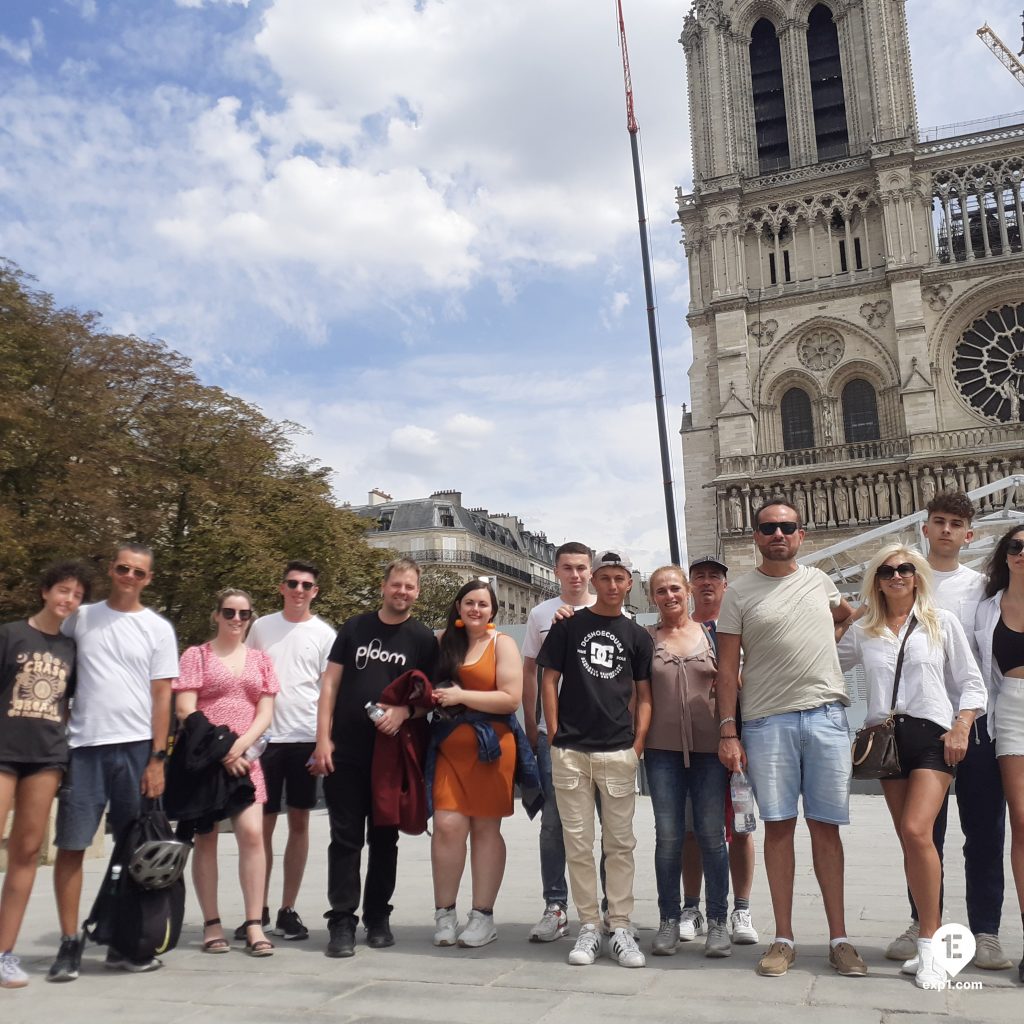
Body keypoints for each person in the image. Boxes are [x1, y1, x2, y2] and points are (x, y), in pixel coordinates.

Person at [717, 501, 864, 978]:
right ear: (755, 535)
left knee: (826, 827)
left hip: (825, 716)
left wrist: (825, 641)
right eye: (768, 527)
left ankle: (839, 938)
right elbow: (725, 668)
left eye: (787, 527)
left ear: (801, 534)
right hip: (766, 721)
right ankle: (783, 938)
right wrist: (728, 729)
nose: (778, 533)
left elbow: (848, 616)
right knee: (778, 828)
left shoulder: (820, 581)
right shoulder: (737, 593)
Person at [837, 546, 986, 988]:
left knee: (919, 831)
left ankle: (931, 945)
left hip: (932, 738)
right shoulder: (864, 631)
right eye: (887, 571)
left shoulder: (941, 622)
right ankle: (927, 934)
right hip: (887, 741)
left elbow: (972, 683)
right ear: (877, 580)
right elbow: (823, 664)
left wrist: (961, 726)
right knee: (909, 838)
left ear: (918, 576)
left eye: (905, 569)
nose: (897, 575)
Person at [886, 492, 1011, 971]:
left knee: (982, 831)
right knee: (920, 833)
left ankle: (986, 932)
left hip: (975, 725)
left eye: (955, 524)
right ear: (925, 527)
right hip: (920, 726)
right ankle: (923, 923)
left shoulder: (981, 588)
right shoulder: (902, 579)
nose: (945, 531)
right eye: (938, 521)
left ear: (969, 534)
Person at [48, 543, 178, 982]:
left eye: (138, 572)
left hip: (137, 749)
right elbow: (57, 672)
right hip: (84, 748)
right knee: (71, 846)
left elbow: (163, 696)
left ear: (148, 579)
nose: (129, 577)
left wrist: (157, 759)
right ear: (111, 569)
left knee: (137, 851)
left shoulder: (157, 628)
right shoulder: (81, 619)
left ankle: (127, 941)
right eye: (122, 568)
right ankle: (70, 942)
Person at [311, 558, 437, 958]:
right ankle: (342, 922)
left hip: (392, 757)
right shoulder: (354, 627)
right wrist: (322, 739)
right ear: (383, 586)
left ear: (417, 592)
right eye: (396, 585)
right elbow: (330, 682)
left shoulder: (422, 639)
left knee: (385, 838)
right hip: (346, 750)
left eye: (410, 587)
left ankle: (378, 917)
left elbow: (428, 700)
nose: (402, 592)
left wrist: (405, 713)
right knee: (345, 839)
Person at [538, 549, 652, 969]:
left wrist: (636, 745)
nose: (611, 585)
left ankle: (618, 923)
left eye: (619, 578)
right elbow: (548, 679)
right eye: (603, 578)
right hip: (571, 750)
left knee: (620, 843)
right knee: (578, 843)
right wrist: (553, 734)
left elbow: (644, 696)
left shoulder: (637, 635)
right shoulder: (569, 626)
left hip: (617, 749)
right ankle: (589, 924)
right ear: (594, 582)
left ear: (627, 584)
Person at [0, 562, 91, 989]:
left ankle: (4, 953)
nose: (68, 600)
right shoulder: (10, 634)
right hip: (3, 752)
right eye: (62, 590)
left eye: (76, 595)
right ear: (44, 591)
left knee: (27, 851)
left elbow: (71, 703)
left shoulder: (72, 649)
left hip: (47, 757)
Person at [173, 589, 279, 956]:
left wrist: (240, 748)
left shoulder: (260, 660)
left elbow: (265, 712)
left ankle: (253, 923)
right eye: (230, 612)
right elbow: (186, 707)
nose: (237, 619)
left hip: (247, 758)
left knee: (252, 833)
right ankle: (211, 922)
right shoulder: (196, 656)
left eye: (244, 613)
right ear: (216, 615)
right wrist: (221, 751)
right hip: (207, 759)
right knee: (207, 838)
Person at [245, 560, 335, 943]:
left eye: (306, 585)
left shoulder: (325, 634)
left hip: (304, 738)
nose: (299, 590)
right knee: (260, 827)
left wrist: (323, 740)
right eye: (292, 583)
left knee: (299, 823)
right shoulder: (261, 627)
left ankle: (287, 908)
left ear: (315, 591)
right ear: (281, 587)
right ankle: (257, 911)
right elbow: (247, 680)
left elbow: (328, 693)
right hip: (264, 740)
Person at [430, 580, 523, 948]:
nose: (476, 610)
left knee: (486, 830)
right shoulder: (441, 642)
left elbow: (511, 699)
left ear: (493, 610)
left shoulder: (503, 644)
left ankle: (482, 915)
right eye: (469, 602)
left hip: (491, 749)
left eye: (483, 604)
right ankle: (444, 913)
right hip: (449, 747)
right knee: (447, 825)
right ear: (458, 605)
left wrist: (460, 694)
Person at [644, 565, 731, 959]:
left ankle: (717, 922)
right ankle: (668, 919)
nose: (669, 596)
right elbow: (635, 697)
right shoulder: (645, 640)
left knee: (712, 836)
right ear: (652, 597)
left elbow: (734, 684)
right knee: (669, 838)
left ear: (688, 591)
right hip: (661, 752)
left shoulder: (712, 635)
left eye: (675, 588)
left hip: (710, 751)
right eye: (661, 590)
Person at [679, 555, 758, 946]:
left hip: (740, 739)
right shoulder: (681, 629)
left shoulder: (743, 626)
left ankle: (740, 908)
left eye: (715, 576)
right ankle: (691, 906)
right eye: (700, 577)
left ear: (726, 585)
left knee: (742, 828)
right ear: (691, 585)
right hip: (695, 744)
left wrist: (731, 681)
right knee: (692, 830)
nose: (707, 582)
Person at [521, 542, 595, 943]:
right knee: (553, 823)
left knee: (607, 825)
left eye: (582, 568)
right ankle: (555, 905)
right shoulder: (540, 613)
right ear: (556, 571)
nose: (576, 575)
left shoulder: (609, 608)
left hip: (601, 733)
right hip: (556, 732)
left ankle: (603, 911)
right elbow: (530, 670)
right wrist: (534, 725)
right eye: (568, 568)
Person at [975, 523, 1024, 982]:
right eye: (1017, 546)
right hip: (1010, 708)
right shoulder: (987, 608)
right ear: (1005, 555)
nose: (1023, 552)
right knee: (1023, 821)